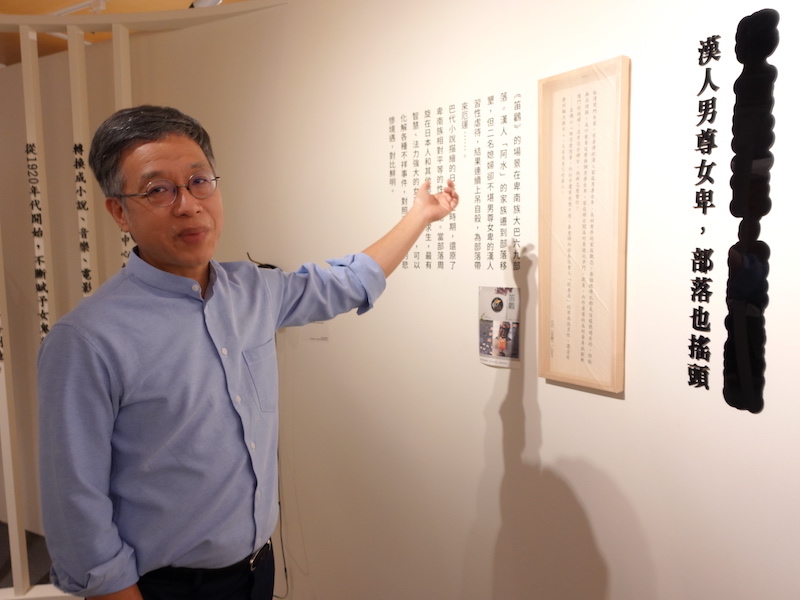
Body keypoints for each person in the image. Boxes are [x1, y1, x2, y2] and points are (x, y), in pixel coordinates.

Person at [37, 105, 458, 600]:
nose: (188, 205)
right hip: (167, 588)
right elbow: (75, 505)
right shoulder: (86, 340)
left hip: (258, 569)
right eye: (158, 190)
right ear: (119, 212)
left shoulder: (253, 290)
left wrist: (419, 215)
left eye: (199, 181)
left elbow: (346, 282)